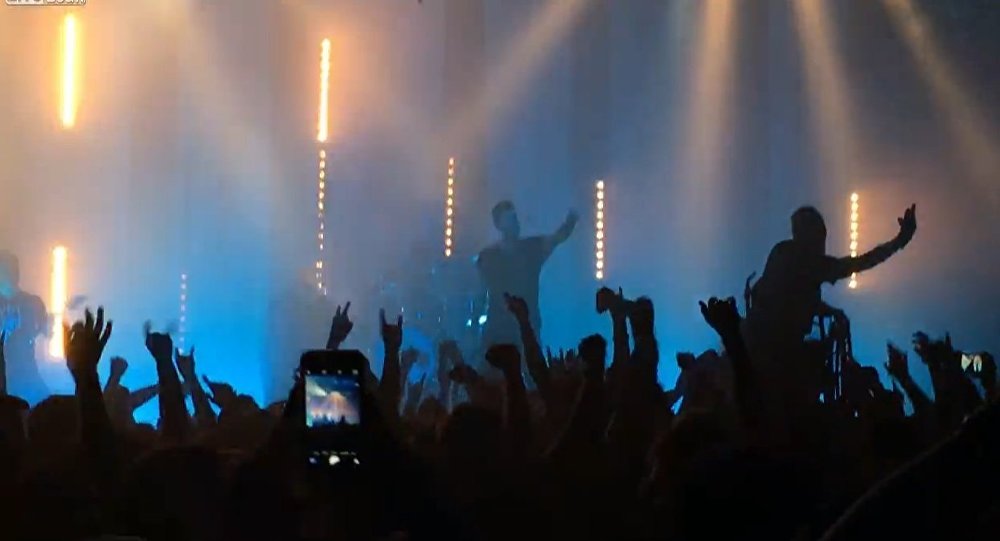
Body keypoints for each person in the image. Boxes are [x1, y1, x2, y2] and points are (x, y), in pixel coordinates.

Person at [476, 201, 578, 350]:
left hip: (526, 328)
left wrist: (571, 220)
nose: (515, 223)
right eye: (509, 219)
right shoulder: (488, 257)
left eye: (515, 218)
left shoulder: (531, 248)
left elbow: (557, 238)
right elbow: (479, 292)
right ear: (499, 224)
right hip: (499, 328)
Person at [0, 251, 48, 403]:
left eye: (13, 269)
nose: (11, 274)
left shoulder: (32, 302)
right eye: (6, 269)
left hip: (26, 372)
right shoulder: (32, 302)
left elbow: (44, 333)